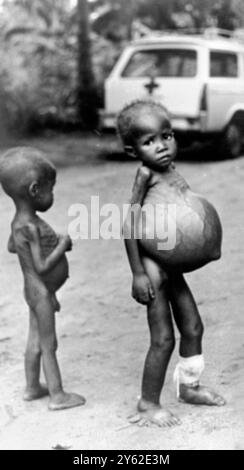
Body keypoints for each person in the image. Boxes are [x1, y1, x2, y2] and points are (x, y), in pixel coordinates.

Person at [117, 100, 225, 427]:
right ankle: (148, 403)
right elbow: (129, 225)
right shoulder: (146, 173)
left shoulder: (171, 170)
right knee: (163, 338)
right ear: (133, 151)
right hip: (153, 269)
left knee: (193, 327)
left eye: (166, 136)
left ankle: (188, 386)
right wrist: (138, 273)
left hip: (171, 263)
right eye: (149, 141)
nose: (161, 146)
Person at [0, 147, 85, 411]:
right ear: (35, 190)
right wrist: (62, 244)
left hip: (35, 290)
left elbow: (12, 247)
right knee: (49, 344)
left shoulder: (19, 223)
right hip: (40, 291)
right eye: (51, 189)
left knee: (34, 339)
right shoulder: (30, 226)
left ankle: (32, 387)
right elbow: (42, 266)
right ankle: (58, 395)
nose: (53, 195)